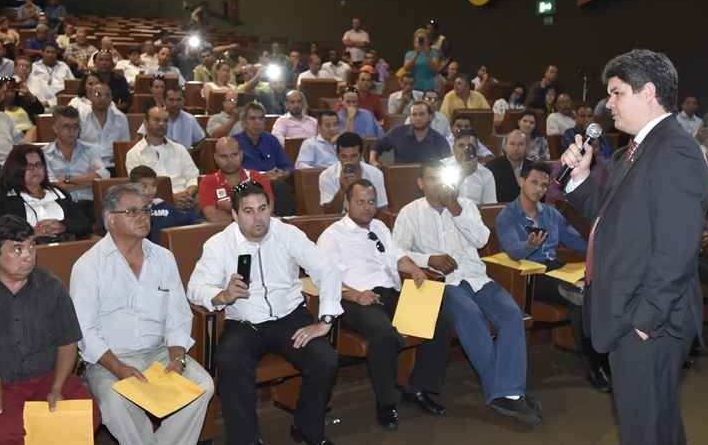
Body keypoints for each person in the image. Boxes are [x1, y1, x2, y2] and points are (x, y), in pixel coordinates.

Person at [561, 49, 708, 445]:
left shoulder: (674, 149)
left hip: (649, 320)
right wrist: (582, 176)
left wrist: (645, 320)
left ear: (648, 92)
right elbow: (609, 217)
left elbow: (677, 248)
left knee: (645, 431)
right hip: (631, 312)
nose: (608, 104)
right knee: (657, 427)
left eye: (616, 93)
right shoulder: (634, 151)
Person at [187, 182, 342, 445]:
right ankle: (245, 440)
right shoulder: (220, 244)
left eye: (262, 208)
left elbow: (327, 269)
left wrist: (325, 320)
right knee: (230, 362)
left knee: (324, 359)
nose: (257, 218)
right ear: (235, 215)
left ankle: (306, 427)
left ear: (270, 208)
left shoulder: (288, 233)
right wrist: (222, 295)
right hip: (246, 323)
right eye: (248, 211)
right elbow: (194, 288)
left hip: (291, 319)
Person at [393, 161, 542, 424]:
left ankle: (505, 393)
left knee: (511, 315)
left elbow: (482, 240)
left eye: (441, 179)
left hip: (477, 278)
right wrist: (430, 259)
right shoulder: (409, 213)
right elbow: (397, 253)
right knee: (470, 315)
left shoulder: (465, 205)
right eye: (431, 179)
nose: (437, 184)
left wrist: (455, 208)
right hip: (444, 284)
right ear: (420, 183)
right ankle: (511, 394)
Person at [70, 183, 214, 444]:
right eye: (133, 211)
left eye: (146, 210)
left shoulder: (163, 258)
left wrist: (178, 359)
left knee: (202, 386)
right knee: (115, 402)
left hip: (159, 354)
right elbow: (85, 332)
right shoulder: (89, 266)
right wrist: (120, 368)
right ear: (111, 220)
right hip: (110, 359)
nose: (143, 216)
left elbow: (179, 315)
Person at [318, 179, 453, 428]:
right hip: (354, 299)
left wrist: (414, 270)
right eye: (360, 202)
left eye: (371, 202)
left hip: (389, 293)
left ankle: (417, 388)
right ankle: (386, 403)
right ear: (347, 203)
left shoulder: (379, 226)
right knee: (383, 333)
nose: (367, 207)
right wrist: (357, 294)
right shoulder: (332, 236)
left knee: (440, 320)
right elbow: (325, 280)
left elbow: (396, 257)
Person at [0, 215, 100, 444]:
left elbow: (68, 342)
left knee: (86, 415)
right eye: (17, 249)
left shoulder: (50, 286)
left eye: (31, 246)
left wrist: (57, 387)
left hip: (47, 378)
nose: (28, 256)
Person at [495, 162, 611, 391]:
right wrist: (528, 245)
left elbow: (575, 240)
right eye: (534, 183)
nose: (539, 189)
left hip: (555, 269)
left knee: (592, 291)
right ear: (521, 181)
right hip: (528, 275)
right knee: (579, 295)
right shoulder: (507, 215)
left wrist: (599, 245)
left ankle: (604, 358)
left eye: (544, 185)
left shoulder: (551, 213)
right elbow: (512, 251)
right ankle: (595, 366)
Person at [0, 144, 90, 242]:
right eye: (29, 166)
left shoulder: (59, 193)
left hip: (65, 247)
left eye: (38, 165)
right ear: (16, 169)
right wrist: (31, 234)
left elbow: (84, 224)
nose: (35, 170)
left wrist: (63, 226)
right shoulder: (6, 198)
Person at [44, 105, 110, 223]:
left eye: (75, 126)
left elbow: (103, 176)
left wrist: (68, 179)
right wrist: (88, 181)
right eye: (66, 126)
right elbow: (53, 186)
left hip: (90, 207)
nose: (72, 131)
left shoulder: (91, 150)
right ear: (55, 128)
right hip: (61, 207)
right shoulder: (44, 154)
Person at [126, 106, 200, 209]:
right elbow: (139, 188)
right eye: (157, 120)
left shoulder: (179, 149)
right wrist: (171, 198)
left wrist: (188, 194)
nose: (162, 124)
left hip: (187, 201)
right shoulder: (134, 154)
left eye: (165, 121)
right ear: (146, 123)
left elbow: (193, 177)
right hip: (155, 206)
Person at [234, 101, 296, 216]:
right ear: (244, 122)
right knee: (278, 186)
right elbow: (234, 173)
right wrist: (262, 176)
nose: (257, 122)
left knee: (280, 185)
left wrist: (283, 173)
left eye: (261, 118)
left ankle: (287, 220)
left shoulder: (271, 140)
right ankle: (284, 219)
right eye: (252, 118)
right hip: (243, 186)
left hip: (274, 182)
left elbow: (288, 166)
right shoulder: (235, 142)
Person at [198, 136, 274, 223]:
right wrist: (248, 214)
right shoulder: (208, 182)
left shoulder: (258, 178)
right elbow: (212, 216)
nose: (229, 160)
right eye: (224, 156)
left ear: (241, 155)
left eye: (234, 155)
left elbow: (268, 210)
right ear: (216, 158)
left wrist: (230, 208)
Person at [129, 165, 202, 243]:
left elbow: (193, 221)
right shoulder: (128, 211)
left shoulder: (164, 207)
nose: (150, 190)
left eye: (153, 185)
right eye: (144, 186)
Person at [320, 132, 387, 213]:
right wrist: (342, 190)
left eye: (354, 156)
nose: (349, 161)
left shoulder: (376, 174)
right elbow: (329, 213)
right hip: (339, 222)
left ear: (361, 154)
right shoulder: (326, 176)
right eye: (344, 157)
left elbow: (382, 209)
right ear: (337, 156)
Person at [370, 101, 450, 166]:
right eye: (414, 115)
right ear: (410, 117)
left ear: (430, 117)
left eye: (421, 114)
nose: (418, 118)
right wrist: (373, 160)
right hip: (400, 179)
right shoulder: (398, 132)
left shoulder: (439, 140)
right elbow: (377, 145)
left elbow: (448, 163)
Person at [78, 82, 130, 170]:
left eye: (107, 95)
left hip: (113, 165)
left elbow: (124, 146)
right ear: (90, 96)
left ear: (111, 98)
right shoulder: (81, 118)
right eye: (98, 94)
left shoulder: (121, 118)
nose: (103, 98)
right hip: (87, 166)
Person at [137, 86, 205, 149]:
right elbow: (140, 137)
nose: (175, 104)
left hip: (183, 159)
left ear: (184, 101)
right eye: (171, 100)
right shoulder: (155, 116)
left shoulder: (190, 119)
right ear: (164, 101)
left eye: (178, 100)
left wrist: (191, 152)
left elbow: (201, 140)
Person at [442, 130, 496, 204]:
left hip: (476, 214)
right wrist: (464, 173)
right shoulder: (441, 167)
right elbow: (440, 199)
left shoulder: (486, 174)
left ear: (477, 149)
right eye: (461, 146)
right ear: (454, 149)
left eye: (470, 146)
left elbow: (490, 206)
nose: (465, 149)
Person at [486, 130, 531, 203]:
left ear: (526, 147)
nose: (516, 148)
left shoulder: (534, 168)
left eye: (520, 144)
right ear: (504, 146)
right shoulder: (492, 167)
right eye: (512, 144)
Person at [30, 42, 75, 107]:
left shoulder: (64, 66)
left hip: (59, 103)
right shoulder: (35, 66)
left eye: (53, 52)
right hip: (39, 103)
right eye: (48, 52)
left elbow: (72, 86)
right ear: (42, 53)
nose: (50, 55)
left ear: (57, 54)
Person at [0, 77, 37, 143]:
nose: (10, 94)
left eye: (12, 91)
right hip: (10, 137)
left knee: (34, 128)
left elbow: (40, 110)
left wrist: (28, 93)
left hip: (30, 135)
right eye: (7, 91)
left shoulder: (21, 102)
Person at [402, 28, 440, 92]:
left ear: (427, 40)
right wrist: (417, 54)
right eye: (419, 38)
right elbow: (406, 68)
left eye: (423, 38)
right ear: (415, 40)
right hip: (413, 88)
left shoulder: (434, 53)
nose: (421, 41)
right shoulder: (409, 54)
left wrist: (427, 54)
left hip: (429, 88)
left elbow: (435, 70)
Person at [12, 55, 47, 120]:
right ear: (15, 68)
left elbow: (43, 104)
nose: (24, 68)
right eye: (21, 66)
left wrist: (29, 95)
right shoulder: (8, 82)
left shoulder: (39, 81)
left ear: (31, 69)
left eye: (27, 66)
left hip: (34, 115)